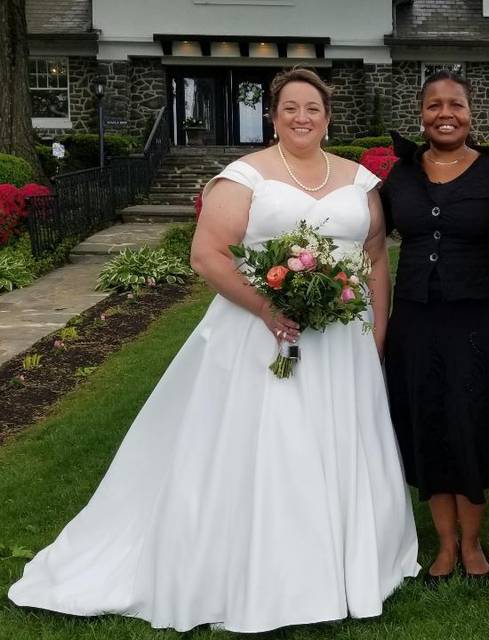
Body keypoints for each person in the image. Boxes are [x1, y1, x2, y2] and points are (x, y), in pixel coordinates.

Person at [8, 68, 419, 633]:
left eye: (314, 108)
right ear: (273, 116)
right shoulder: (243, 177)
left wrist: (376, 331)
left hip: (342, 340)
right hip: (260, 331)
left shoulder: (361, 183)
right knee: (273, 442)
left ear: (328, 116)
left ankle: (348, 561)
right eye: (291, 108)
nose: (303, 117)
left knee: (340, 441)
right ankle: (269, 570)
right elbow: (209, 256)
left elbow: (373, 258)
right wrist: (269, 309)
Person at [381, 71, 489, 579]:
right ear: (421, 114)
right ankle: (444, 543)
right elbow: (367, 240)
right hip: (415, 320)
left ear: (471, 113)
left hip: (478, 318)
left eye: (456, 104)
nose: (445, 113)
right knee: (431, 423)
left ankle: (474, 542)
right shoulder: (399, 176)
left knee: (473, 421)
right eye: (435, 105)